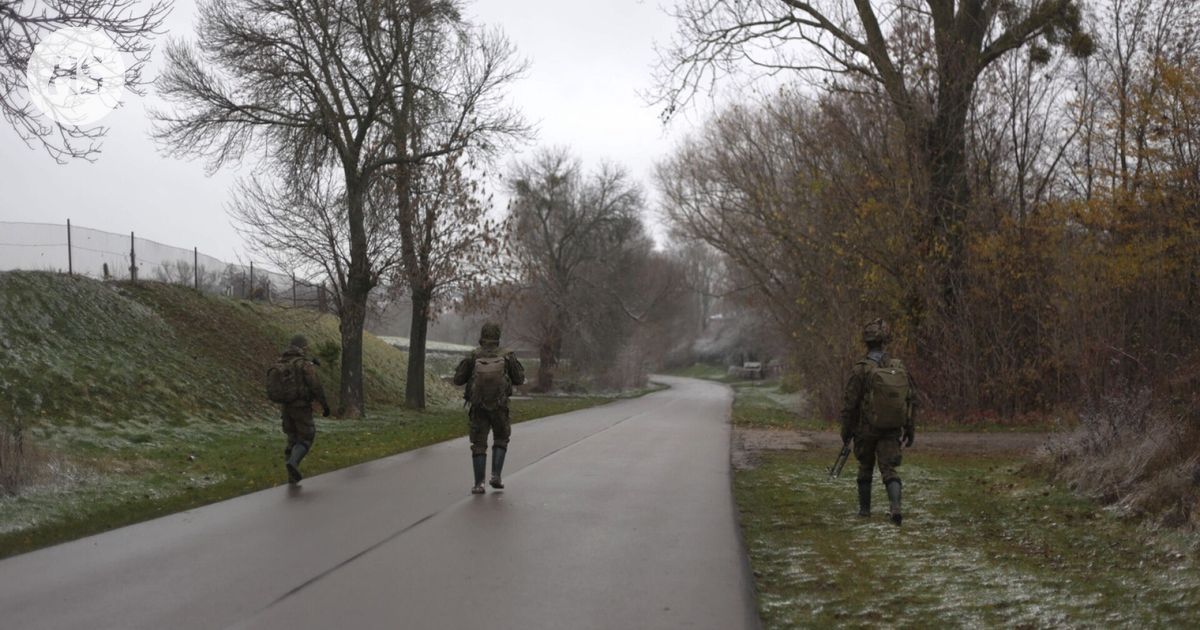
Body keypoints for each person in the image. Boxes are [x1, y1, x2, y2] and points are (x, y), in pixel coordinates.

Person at [839, 319, 918, 525]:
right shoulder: (898, 367)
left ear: (866, 342)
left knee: (865, 466)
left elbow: (850, 405)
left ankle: (864, 511)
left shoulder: (860, 370)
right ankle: (895, 507)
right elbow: (911, 399)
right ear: (885, 342)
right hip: (891, 428)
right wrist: (910, 428)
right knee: (889, 469)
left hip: (866, 429)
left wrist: (846, 430)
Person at [452, 322, 525, 494]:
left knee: (478, 443)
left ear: (482, 336)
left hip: (478, 406)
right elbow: (520, 379)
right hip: (500, 406)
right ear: (498, 337)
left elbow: (458, 379)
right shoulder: (507, 355)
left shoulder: (474, 355)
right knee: (501, 438)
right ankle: (496, 476)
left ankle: (479, 484)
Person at [276, 335, 330, 485]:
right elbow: (316, 386)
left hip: (285, 407)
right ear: (301, 347)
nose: (307, 350)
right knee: (306, 437)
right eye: (306, 347)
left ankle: (291, 477)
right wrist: (324, 405)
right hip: (301, 407)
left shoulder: (282, 362)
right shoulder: (304, 364)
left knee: (292, 439)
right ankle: (293, 462)